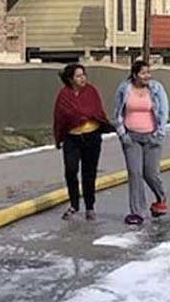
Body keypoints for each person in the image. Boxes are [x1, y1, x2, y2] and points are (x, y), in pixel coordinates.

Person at [53, 63, 115, 221]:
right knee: (71, 170)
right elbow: (59, 118)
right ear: (70, 79)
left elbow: (97, 111)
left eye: (83, 75)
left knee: (89, 173)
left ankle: (90, 206)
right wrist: (59, 137)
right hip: (72, 138)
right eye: (78, 76)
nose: (82, 78)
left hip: (91, 137)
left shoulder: (91, 91)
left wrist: (86, 116)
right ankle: (74, 204)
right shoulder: (64, 95)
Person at [114, 60, 170, 225]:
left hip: (152, 137)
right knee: (135, 173)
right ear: (134, 74)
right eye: (143, 73)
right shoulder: (125, 89)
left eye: (148, 73)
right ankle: (138, 212)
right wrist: (122, 134)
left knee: (151, 173)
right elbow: (117, 112)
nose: (147, 76)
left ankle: (161, 199)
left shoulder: (156, 88)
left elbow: (163, 112)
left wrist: (159, 133)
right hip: (131, 138)